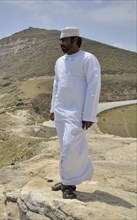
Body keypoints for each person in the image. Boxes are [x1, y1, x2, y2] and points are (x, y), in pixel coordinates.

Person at [50, 27, 101, 199]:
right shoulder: (59, 61)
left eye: (64, 40)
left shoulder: (88, 59)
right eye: (60, 40)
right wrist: (52, 108)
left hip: (76, 113)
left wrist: (89, 115)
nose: (61, 43)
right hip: (61, 111)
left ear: (75, 40)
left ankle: (68, 185)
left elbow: (94, 87)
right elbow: (56, 85)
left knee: (70, 147)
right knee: (65, 147)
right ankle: (66, 180)